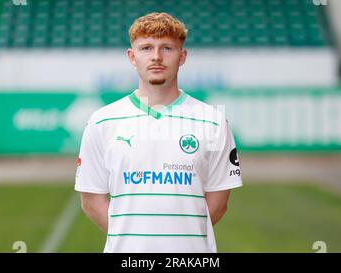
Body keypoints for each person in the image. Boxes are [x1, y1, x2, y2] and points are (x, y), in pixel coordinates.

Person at [74, 12, 242, 253]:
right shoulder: (102, 121)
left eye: (167, 48)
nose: (156, 57)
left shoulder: (213, 121)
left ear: (182, 56)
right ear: (132, 57)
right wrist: (133, 240)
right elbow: (91, 200)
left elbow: (218, 203)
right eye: (146, 48)